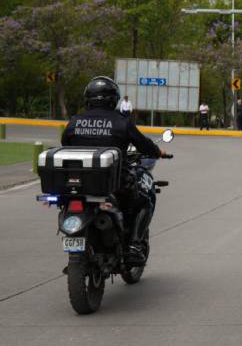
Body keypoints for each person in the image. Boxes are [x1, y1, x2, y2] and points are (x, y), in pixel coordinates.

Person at [61, 76, 165, 264]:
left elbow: (65, 145)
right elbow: (143, 144)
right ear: (113, 99)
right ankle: (133, 245)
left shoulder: (74, 122)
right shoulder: (121, 122)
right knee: (147, 198)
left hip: (78, 185)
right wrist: (157, 151)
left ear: (88, 99)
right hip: (115, 184)